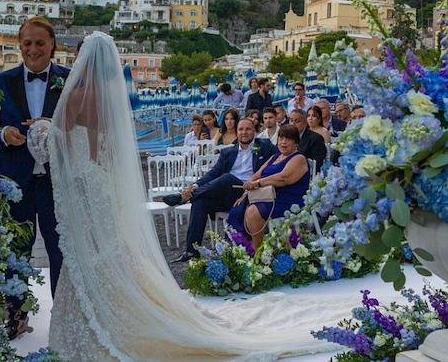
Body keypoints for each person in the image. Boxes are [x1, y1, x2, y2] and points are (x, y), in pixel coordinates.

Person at [36, 31, 363, 362]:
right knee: (105, 253)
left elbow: (59, 144)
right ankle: (189, 208)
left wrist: (41, 128)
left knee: (91, 254)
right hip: (101, 184)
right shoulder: (106, 99)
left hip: (89, 186)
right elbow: (96, 150)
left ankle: (99, 313)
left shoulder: (76, 95)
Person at [0, 16, 69, 340]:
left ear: (52, 46)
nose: (33, 49)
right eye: (27, 43)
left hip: (54, 182)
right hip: (14, 182)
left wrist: (55, 129)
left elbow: (83, 128)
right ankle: (15, 316)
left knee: (60, 250)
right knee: (15, 250)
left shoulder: (69, 81)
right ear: (20, 46)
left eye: (40, 43)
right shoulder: (1, 82)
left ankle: (62, 315)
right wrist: (4, 133)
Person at [162, 118, 278, 261]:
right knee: (200, 202)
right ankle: (192, 251)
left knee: (227, 178)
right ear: (236, 132)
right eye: (241, 129)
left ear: (254, 131)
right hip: (228, 195)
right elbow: (213, 174)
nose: (244, 132)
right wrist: (195, 186)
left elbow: (278, 160)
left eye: (248, 129)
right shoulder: (228, 152)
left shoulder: (265, 147)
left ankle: (186, 197)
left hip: (249, 193)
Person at [228, 125, 310, 249]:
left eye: (288, 139)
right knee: (239, 205)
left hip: (287, 199)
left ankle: (256, 249)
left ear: (296, 143)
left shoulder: (298, 158)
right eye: (281, 138)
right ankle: (242, 245)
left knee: (253, 211)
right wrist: (245, 193)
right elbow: (256, 175)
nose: (283, 142)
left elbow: (284, 178)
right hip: (266, 195)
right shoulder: (275, 156)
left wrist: (257, 184)